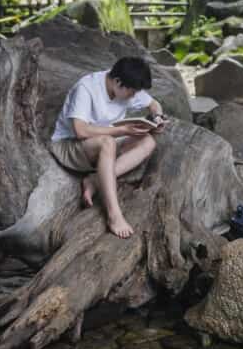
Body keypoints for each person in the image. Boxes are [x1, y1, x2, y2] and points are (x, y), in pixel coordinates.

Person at [49, 56, 165, 238]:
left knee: (148, 141)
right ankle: (114, 215)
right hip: (70, 145)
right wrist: (122, 130)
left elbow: (153, 104)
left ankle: (95, 180)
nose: (134, 96)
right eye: (132, 92)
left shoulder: (127, 84)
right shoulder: (87, 88)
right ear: (117, 82)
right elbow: (80, 130)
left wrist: (158, 118)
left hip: (104, 141)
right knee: (107, 142)